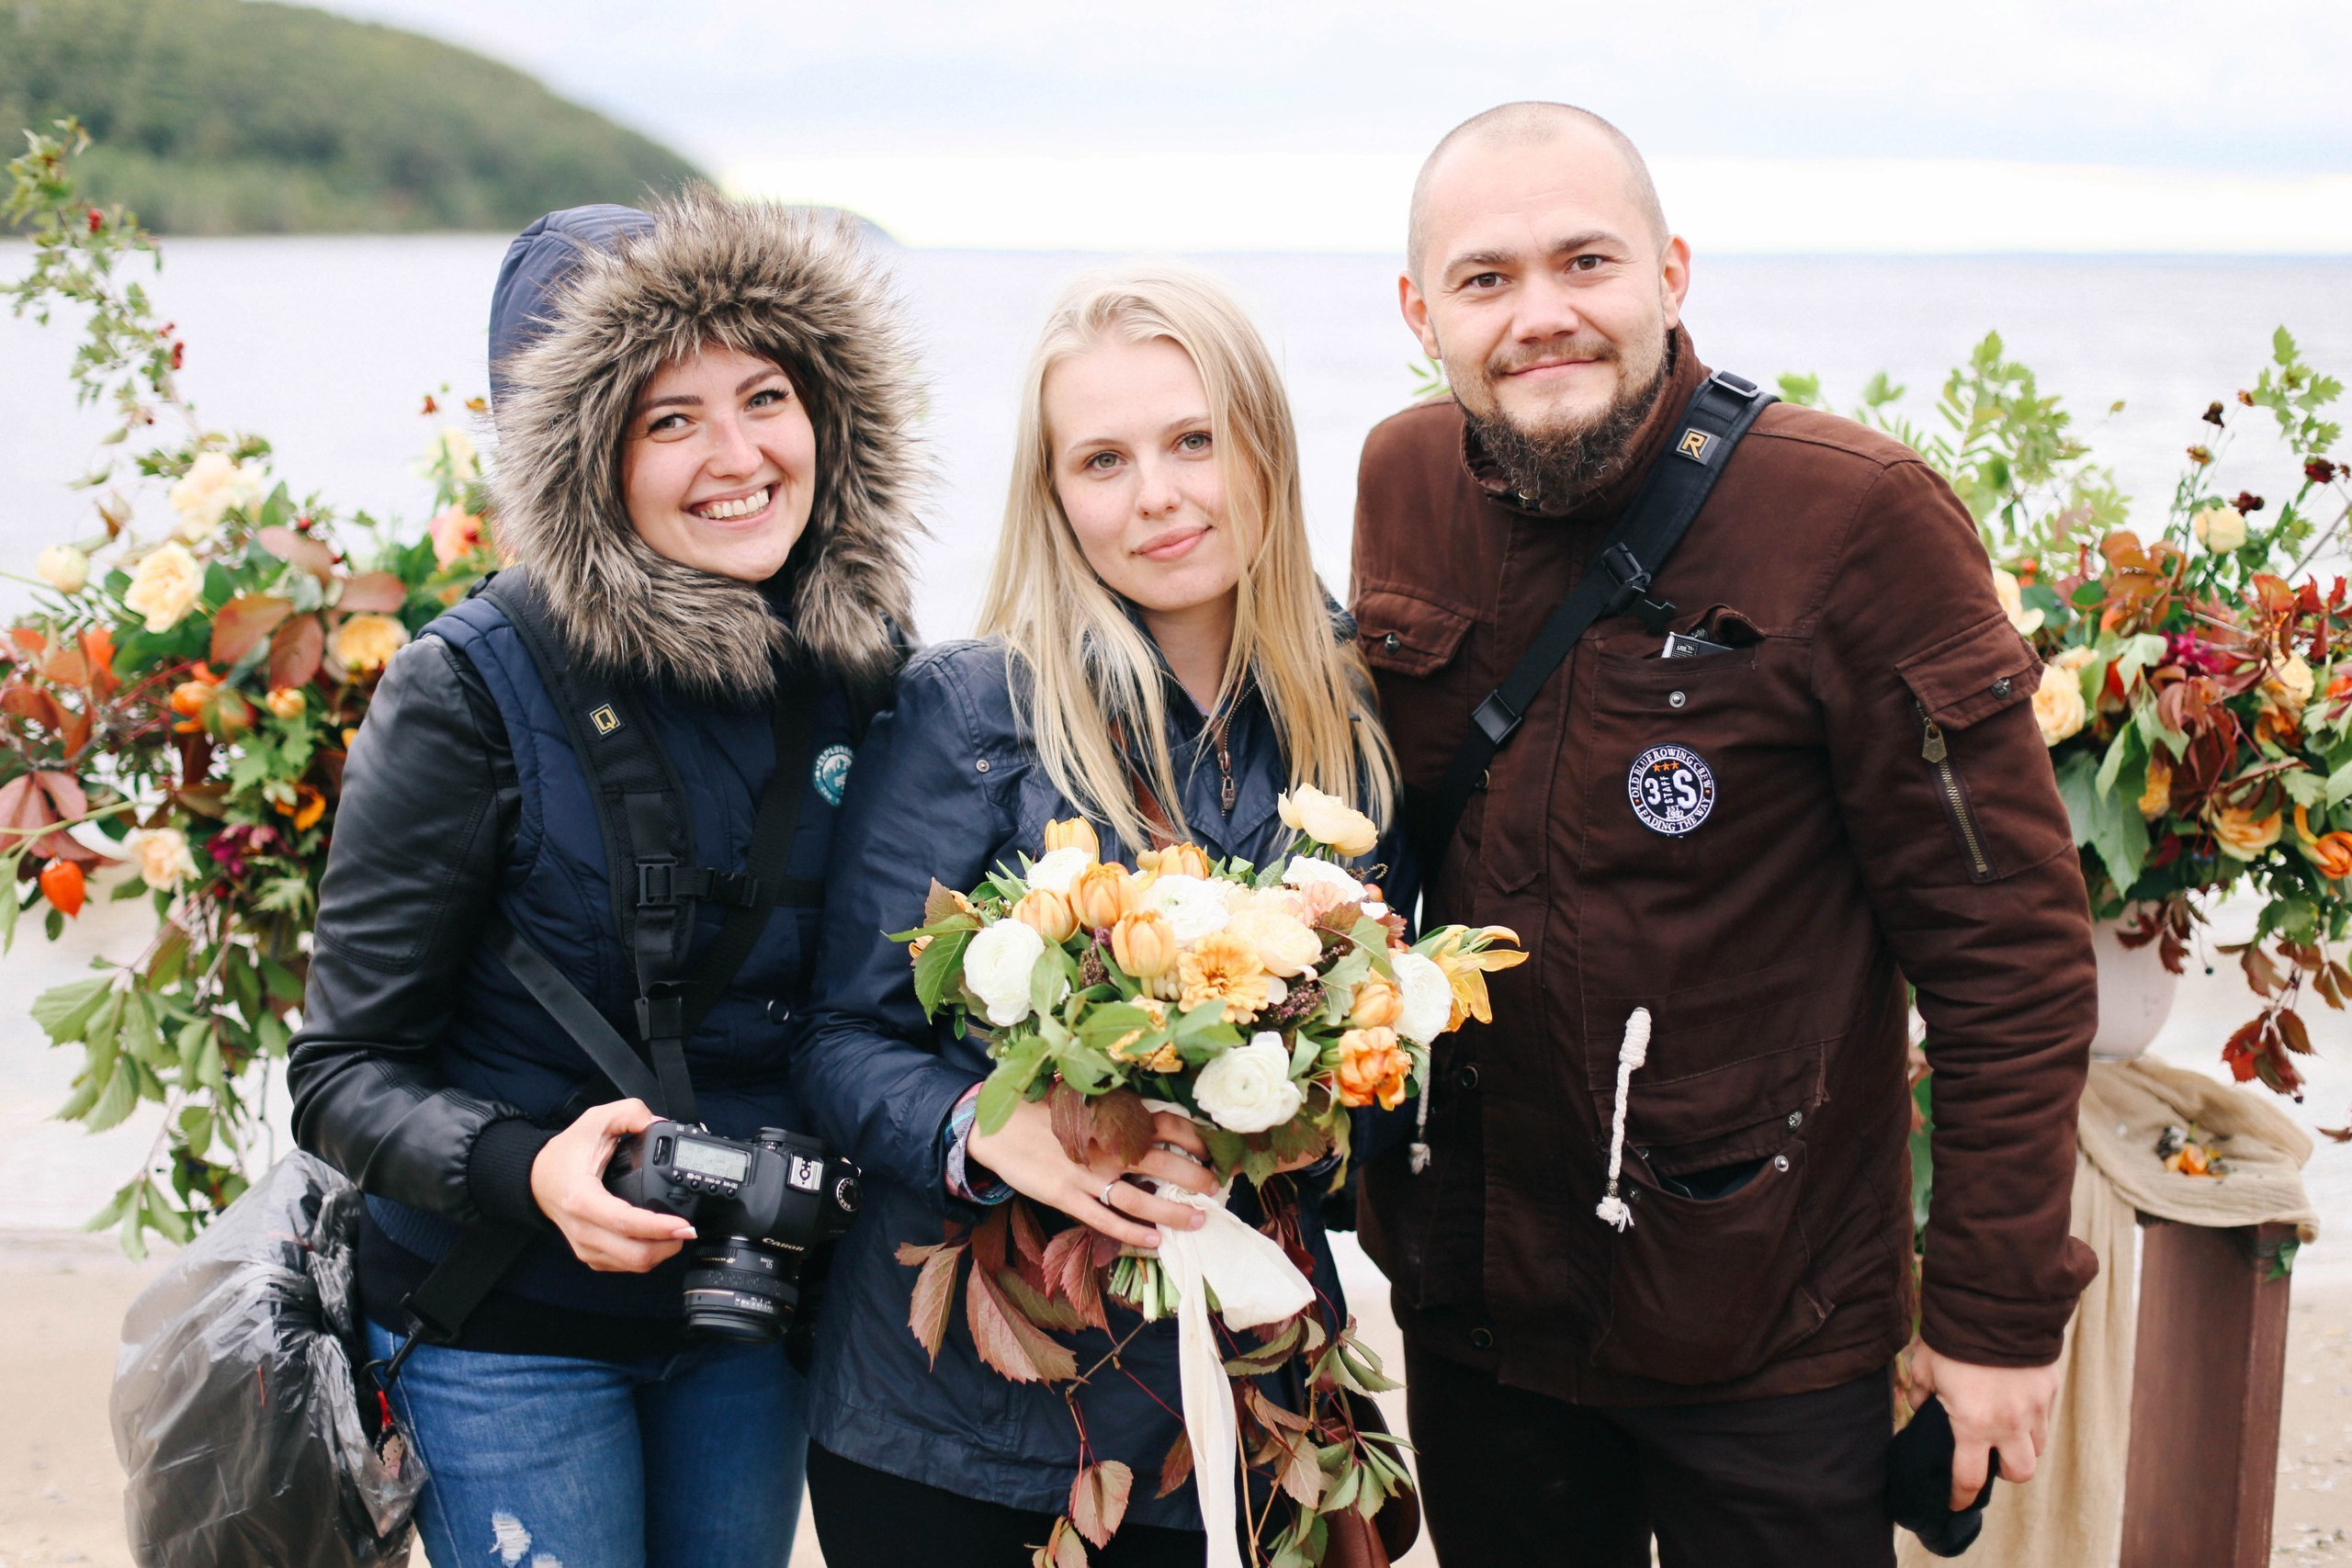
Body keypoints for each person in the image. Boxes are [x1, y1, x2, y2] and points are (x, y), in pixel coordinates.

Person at [1350, 102, 2099, 1566]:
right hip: (1481, 1303)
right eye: (1488, 278)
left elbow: (2005, 945)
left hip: (1766, 1324)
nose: (1542, 316)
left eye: (1587, 262)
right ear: (1419, 308)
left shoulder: (1854, 518)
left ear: (1673, 271)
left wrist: (1996, 1318)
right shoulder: (1400, 481)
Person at [287, 189, 922, 1568]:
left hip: (753, 1314)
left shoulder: (865, 663)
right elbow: (339, 1077)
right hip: (503, 1319)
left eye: (767, 393)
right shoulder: (467, 689)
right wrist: (532, 1172)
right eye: (668, 419)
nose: (739, 456)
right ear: (580, 457)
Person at [792, 264, 1408, 1565]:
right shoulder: (974, 711)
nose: (1158, 498)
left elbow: (1377, 1031)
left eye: (1194, 441)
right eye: (1102, 461)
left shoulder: (1349, 715)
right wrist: (985, 1128)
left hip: (1248, 1408)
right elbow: (837, 1038)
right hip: (958, 1430)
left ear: (1265, 448)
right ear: (1055, 495)